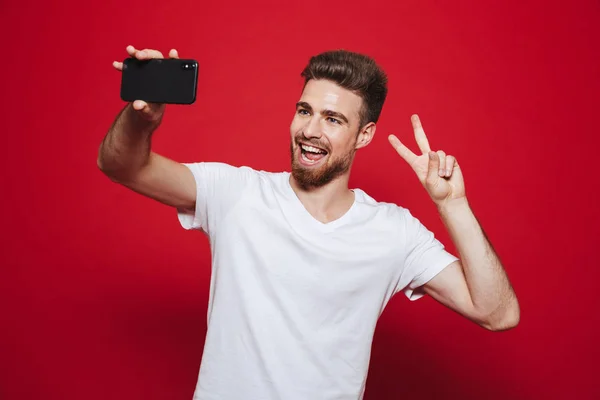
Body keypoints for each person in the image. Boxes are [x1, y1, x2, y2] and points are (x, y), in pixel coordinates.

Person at [98, 45, 520, 400]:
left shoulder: (394, 233)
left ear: (365, 135)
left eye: (333, 119)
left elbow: (497, 313)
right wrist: (141, 119)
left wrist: (454, 205)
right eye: (305, 111)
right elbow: (124, 166)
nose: (310, 130)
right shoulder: (239, 193)